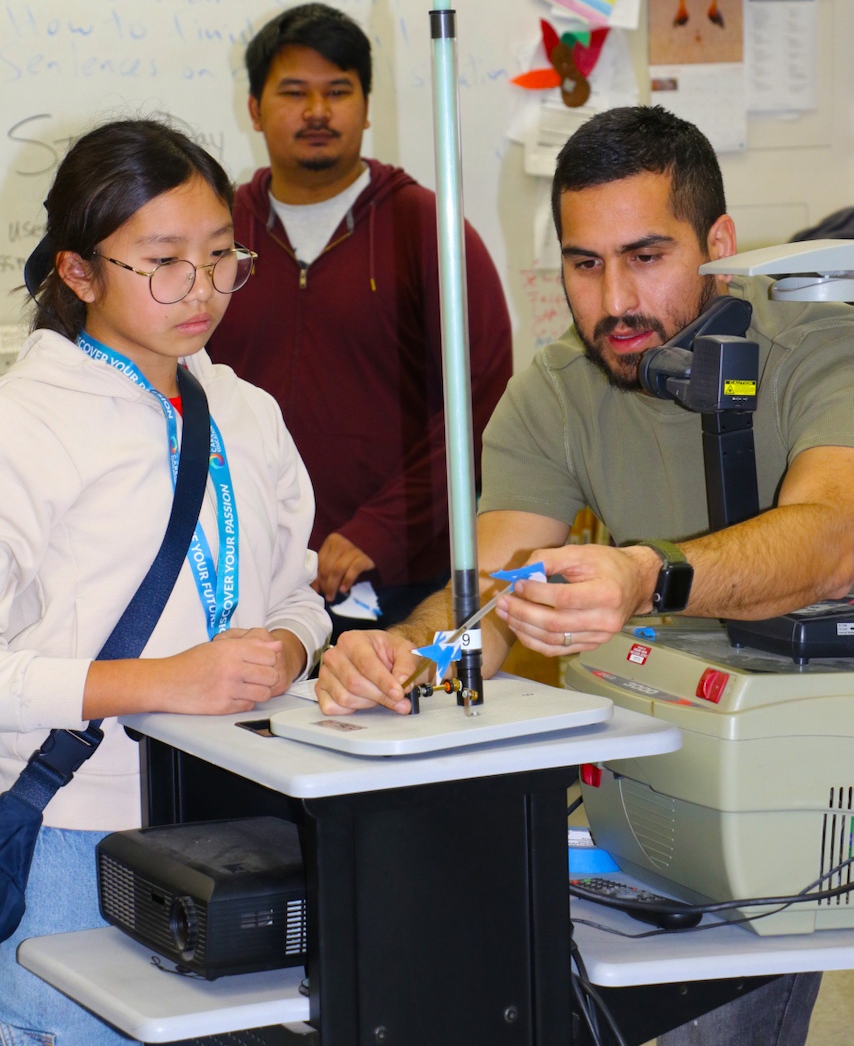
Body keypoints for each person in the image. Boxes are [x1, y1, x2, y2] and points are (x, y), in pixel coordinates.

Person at [318, 105, 854, 1046]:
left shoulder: (820, 345)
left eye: (647, 256)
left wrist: (647, 578)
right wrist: (405, 655)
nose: (613, 302)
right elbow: (492, 589)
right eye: (584, 263)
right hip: (667, 755)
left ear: (720, 243)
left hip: (812, 761)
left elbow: (831, 540)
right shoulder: (560, 387)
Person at [0, 118, 331, 1044]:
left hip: (244, 812)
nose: (203, 290)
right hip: (76, 831)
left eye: (223, 256)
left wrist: (293, 645)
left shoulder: (247, 411)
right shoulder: (24, 427)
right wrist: (164, 682)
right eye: (164, 261)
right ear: (78, 271)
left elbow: (296, 589)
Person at [206, 2, 512, 636]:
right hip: (238, 570)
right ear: (255, 109)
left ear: (367, 108)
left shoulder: (426, 227)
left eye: (338, 91)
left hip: (400, 584)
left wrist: (382, 528)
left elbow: (482, 399)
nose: (317, 111)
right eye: (294, 92)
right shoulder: (214, 235)